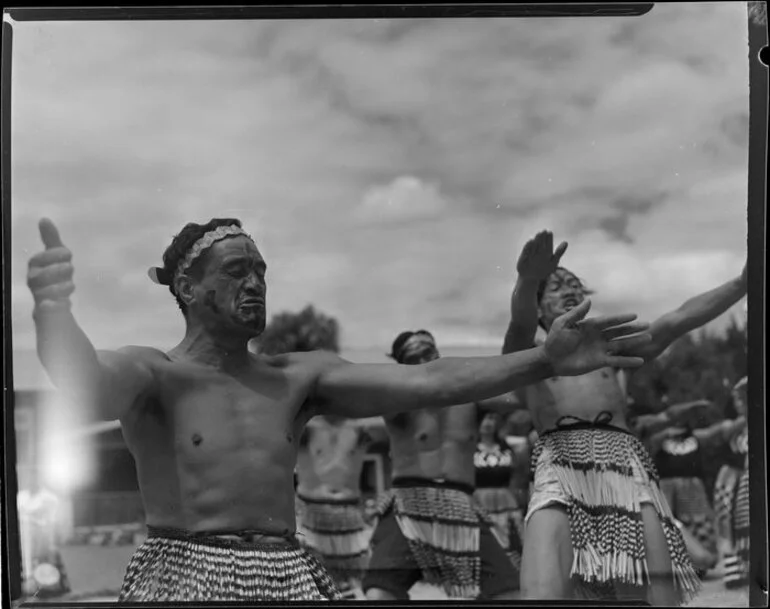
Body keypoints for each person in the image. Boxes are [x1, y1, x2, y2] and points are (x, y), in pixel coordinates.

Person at [27, 217, 652, 602]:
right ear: (188, 288)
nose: (256, 284)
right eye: (238, 271)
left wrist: (543, 361)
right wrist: (53, 313)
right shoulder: (153, 373)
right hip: (185, 577)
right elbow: (84, 381)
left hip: (287, 573)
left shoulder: (300, 376)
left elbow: (430, 383)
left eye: (262, 272)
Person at [503, 230, 747, 605]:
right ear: (539, 308)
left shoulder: (611, 351)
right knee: (544, 591)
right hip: (559, 467)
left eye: (573, 283)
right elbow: (518, 326)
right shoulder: (530, 359)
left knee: (650, 593)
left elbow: (676, 321)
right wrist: (527, 280)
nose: (567, 288)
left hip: (625, 467)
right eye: (554, 286)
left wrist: (742, 283)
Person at [362, 330, 526, 601]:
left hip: (462, 507)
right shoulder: (396, 401)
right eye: (415, 359)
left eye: (430, 354)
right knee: (380, 594)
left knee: (510, 594)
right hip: (408, 507)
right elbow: (366, 396)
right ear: (403, 368)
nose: (426, 362)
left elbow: (517, 394)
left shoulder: (473, 398)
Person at [473, 411, 525, 570]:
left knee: (513, 541)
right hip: (479, 501)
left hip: (506, 500)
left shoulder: (506, 447)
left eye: (490, 418)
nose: (487, 423)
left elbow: (518, 472)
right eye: (483, 419)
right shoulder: (470, 449)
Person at [711, 377, 749, 589]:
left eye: (740, 399)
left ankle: (748, 565)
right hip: (729, 477)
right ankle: (733, 569)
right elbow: (726, 433)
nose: (737, 403)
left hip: (746, 477)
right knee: (726, 519)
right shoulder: (734, 424)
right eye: (736, 399)